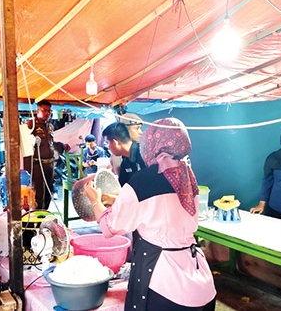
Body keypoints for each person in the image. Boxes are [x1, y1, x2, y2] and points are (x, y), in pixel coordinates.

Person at [84, 118, 216, 311]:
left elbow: (110, 226)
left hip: (164, 280)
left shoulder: (143, 180)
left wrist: (95, 200)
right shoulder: (188, 175)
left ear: (152, 143)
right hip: (200, 277)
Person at [23, 100, 68, 210]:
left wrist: (62, 145)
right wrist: (29, 170)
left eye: (49, 111)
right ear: (37, 110)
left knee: (49, 193)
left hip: (49, 165)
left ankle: (43, 218)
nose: (47, 113)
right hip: (37, 165)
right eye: (44, 110)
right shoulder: (30, 124)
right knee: (39, 195)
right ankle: (36, 223)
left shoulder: (49, 125)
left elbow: (50, 143)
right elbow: (25, 146)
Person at [103, 122, 146, 186]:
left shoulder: (144, 153)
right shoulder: (125, 162)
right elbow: (124, 186)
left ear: (115, 143)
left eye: (107, 143)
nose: (108, 147)